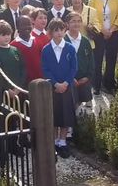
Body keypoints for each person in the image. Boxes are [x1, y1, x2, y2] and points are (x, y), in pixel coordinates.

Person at [41, 18, 77, 159]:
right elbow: (45, 69)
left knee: (65, 115)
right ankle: (54, 142)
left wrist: (66, 83)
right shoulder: (46, 49)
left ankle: (62, 142)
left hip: (66, 88)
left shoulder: (69, 48)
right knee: (54, 115)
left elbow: (74, 67)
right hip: (53, 88)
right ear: (50, 32)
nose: (59, 33)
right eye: (56, 30)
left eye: (61, 30)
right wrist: (55, 84)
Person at [0, 20, 27, 157]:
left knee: (14, 120)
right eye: (3, 35)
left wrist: (18, 87)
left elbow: (22, 70)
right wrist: (8, 89)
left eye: (8, 34)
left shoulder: (15, 50)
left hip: (17, 92)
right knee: (1, 121)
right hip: (3, 94)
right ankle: (0, 148)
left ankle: (14, 144)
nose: (6, 37)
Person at [88, 0, 118, 95]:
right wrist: (103, 30)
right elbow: (91, 17)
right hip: (98, 33)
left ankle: (109, 84)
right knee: (97, 59)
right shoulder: (93, 0)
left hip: (114, 33)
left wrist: (111, 30)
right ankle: (96, 85)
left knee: (111, 59)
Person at [63, 12, 94, 108]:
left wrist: (88, 76)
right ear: (67, 24)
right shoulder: (63, 41)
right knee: (73, 105)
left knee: (87, 105)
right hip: (69, 80)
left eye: (78, 21)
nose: (76, 24)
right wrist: (71, 78)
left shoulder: (85, 41)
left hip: (84, 78)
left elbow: (91, 60)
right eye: (73, 21)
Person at [11, 16, 43, 85]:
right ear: (17, 28)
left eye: (29, 24)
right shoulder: (13, 45)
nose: (26, 27)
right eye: (23, 24)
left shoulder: (37, 41)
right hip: (23, 83)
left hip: (40, 80)